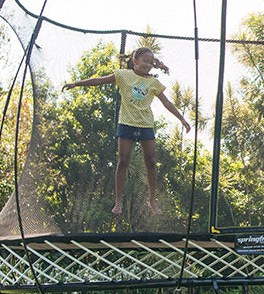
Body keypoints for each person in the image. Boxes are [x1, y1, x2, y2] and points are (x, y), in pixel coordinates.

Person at [63, 47, 191, 216]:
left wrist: (181, 118)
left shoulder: (153, 83)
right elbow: (99, 80)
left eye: (150, 62)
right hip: (127, 124)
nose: (147, 64)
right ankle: (118, 201)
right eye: (144, 60)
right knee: (123, 161)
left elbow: (167, 103)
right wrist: (76, 84)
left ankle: (152, 200)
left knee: (151, 161)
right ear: (134, 61)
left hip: (145, 125)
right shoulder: (123, 75)